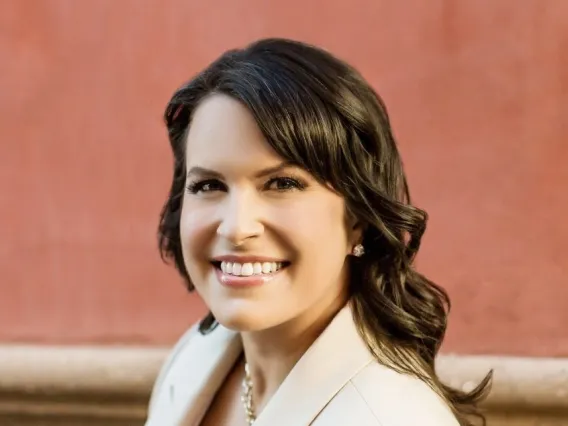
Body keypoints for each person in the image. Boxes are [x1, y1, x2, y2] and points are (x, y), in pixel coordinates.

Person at [145, 38, 491, 426]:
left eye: (282, 184)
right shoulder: (194, 358)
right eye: (209, 186)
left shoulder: (390, 416)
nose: (237, 227)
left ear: (358, 217)